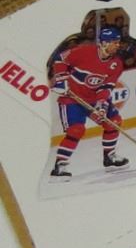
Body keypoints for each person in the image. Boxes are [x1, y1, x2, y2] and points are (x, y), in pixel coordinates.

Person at [49, 25, 129, 176]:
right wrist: (61, 79)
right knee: (76, 130)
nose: (117, 45)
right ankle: (60, 165)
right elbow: (60, 59)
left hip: (93, 99)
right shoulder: (84, 51)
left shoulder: (116, 64)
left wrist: (101, 106)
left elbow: (106, 87)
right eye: (114, 42)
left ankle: (109, 157)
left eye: (118, 42)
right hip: (71, 98)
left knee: (113, 121)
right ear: (104, 43)